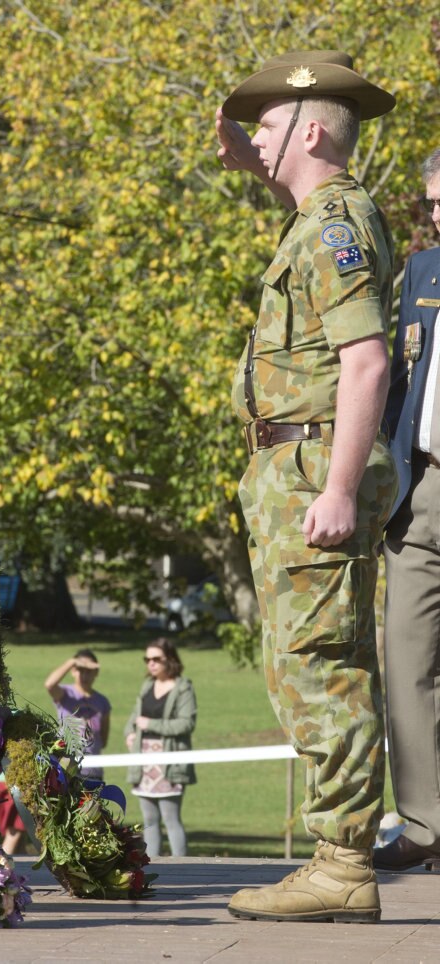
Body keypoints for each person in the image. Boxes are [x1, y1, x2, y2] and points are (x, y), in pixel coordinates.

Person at [215, 51, 398, 922]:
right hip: (291, 466)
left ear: (312, 130)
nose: (256, 137)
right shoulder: (315, 218)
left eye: (270, 125)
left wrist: (339, 486)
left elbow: (366, 363)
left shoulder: (335, 225)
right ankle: (340, 858)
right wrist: (258, 162)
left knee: (322, 664)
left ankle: (340, 861)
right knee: (306, 659)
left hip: (314, 465)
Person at [374, 148, 440, 873]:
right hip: (421, 489)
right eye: (431, 204)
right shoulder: (422, 270)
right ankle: (424, 825)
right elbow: (400, 381)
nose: (437, 214)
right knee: (408, 663)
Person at [124, 638, 196, 857]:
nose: (151, 664)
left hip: (169, 762)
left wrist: (151, 724)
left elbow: (187, 723)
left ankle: (182, 868)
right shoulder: (147, 686)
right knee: (149, 821)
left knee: (171, 819)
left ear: (170, 660)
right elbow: (135, 717)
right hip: (143, 761)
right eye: (147, 659)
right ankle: (153, 867)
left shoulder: (183, 688)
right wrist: (129, 733)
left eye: (157, 659)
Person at [44, 649, 111, 784]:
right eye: (81, 670)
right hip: (66, 771)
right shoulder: (66, 694)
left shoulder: (102, 702)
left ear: (96, 672)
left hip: (93, 771)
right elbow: (49, 684)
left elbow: (103, 740)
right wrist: (73, 661)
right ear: (73, 671)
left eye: (89, 671)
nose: (84, 675)